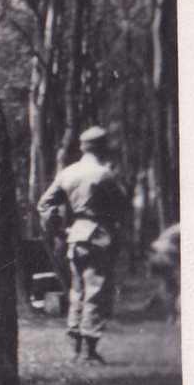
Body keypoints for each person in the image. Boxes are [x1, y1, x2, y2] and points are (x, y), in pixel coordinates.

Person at [37, 126, 130, 364]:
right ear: (103, 147)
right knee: (95, 293)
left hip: (75, 237)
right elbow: (121, 207)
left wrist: (57, 229)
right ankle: (88, 351)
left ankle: (75, 349)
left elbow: (44, 205)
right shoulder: (103, 174)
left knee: (77, 292)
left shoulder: (68, 173)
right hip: (98, 237)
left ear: (82, 147)